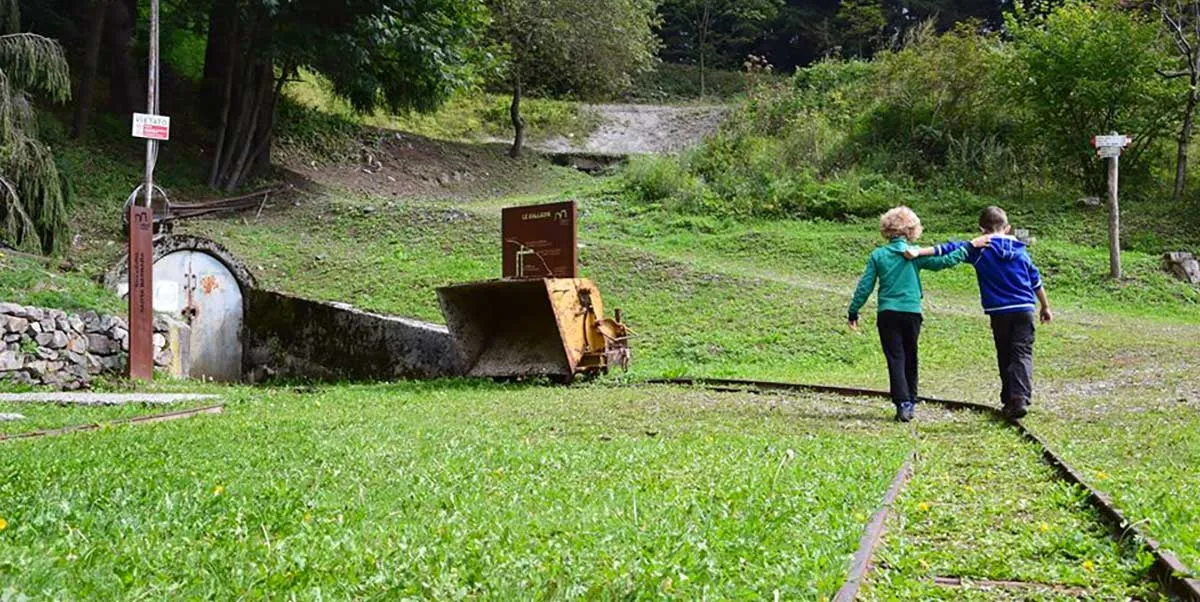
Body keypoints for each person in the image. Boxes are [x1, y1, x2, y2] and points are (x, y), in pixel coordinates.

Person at [905, 206, 1053, 419]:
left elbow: (945, 249)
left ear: (981, 229)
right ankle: (1018, 397)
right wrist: (1045, 306)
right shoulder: (1021, 249)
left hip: (999, 311)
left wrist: (918, 251)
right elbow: (1035, 280)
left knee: (1004, 353)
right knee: (1022, 353)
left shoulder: (979, 249)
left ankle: (1010, 399)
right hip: (1024, 309)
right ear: (1008, 227)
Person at [848, 206, 991, 422]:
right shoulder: (915, 254)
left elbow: (865, 286)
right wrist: (967, 248)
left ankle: (902, 403)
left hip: (887, 313)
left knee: (895, 358)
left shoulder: (878, 255)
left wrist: (853, 310)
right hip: (912, 312)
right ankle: (911, 401)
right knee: (910, 355)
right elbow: (945, 261)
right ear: (911, 230)